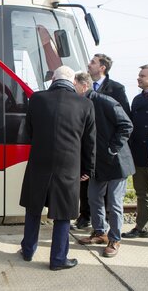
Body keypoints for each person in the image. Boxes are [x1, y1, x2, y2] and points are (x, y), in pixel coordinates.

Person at [19, 66, 96, 271]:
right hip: (69, 166)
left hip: (39, 162)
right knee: (63, 213)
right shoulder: (86, 104)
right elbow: (89, 142)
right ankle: (58, 259)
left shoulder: (37, 99)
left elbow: (28, 132)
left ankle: (28, 251)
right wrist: (87, 168)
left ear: (53, 79)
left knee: (34, 208)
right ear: (72, 82)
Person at [75, 72, 135, 257]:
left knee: (115, 203)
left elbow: (127, 125)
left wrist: (112, 149)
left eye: (74, 85)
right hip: (97, 164)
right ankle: (100, 233)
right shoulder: (80, 105)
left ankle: (115, 239)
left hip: (116, 162)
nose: (72, 89)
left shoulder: (104, 101)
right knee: (93, 198)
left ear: (84, 86)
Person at [122, 64, 148, 239]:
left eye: (142, 75)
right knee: (142, 193)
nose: (139, 78)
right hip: (139, 155)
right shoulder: (137, 100)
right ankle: (142, 228)